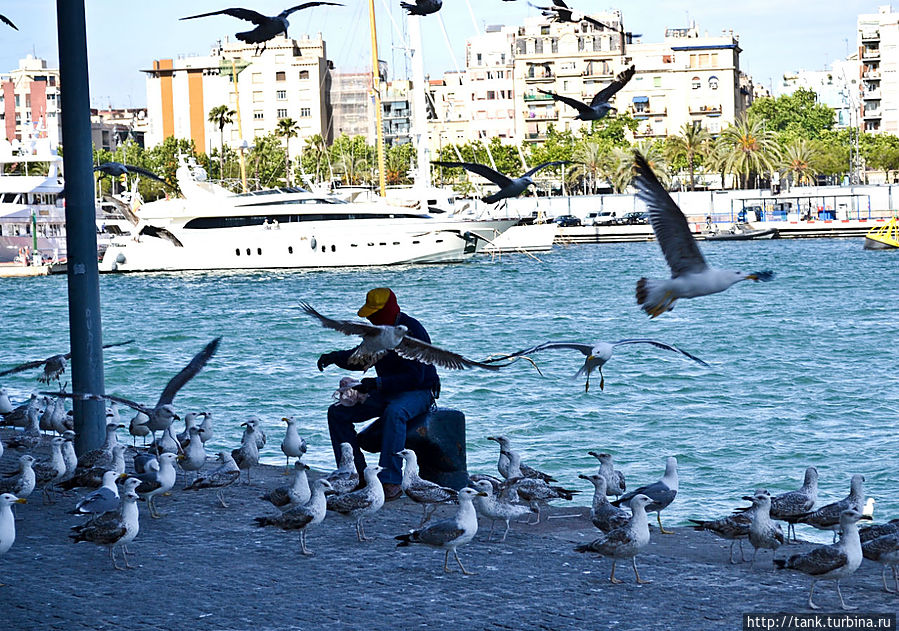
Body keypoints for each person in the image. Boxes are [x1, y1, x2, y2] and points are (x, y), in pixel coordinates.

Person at [318, 288, 440, 501]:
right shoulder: (379, 332)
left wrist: (377, 384)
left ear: (388, 310)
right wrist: (334, 357)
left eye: (375, 313)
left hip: (418, 391)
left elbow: (417, 377)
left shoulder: (413, 331)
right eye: (370, 314)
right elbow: (361, 357)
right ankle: (354, 475)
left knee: (395, 412)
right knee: (337, 413)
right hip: (386, 390)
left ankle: (390, 481)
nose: (371, 318)